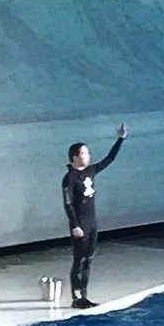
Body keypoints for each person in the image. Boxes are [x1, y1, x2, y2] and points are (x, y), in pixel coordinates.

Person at [60, 126, 129, 308]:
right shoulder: (70, 178)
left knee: (89, 259)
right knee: (79, 259)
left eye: (88, 153)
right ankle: (76, 297)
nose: (88, 156)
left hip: (92, 222)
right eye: (84, 153)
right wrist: (75, 225)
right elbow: (68, 203)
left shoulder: (90, 171)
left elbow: (109, 159)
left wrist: (120, 139)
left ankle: (84, 295)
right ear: (75, 157)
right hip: (80, 223)